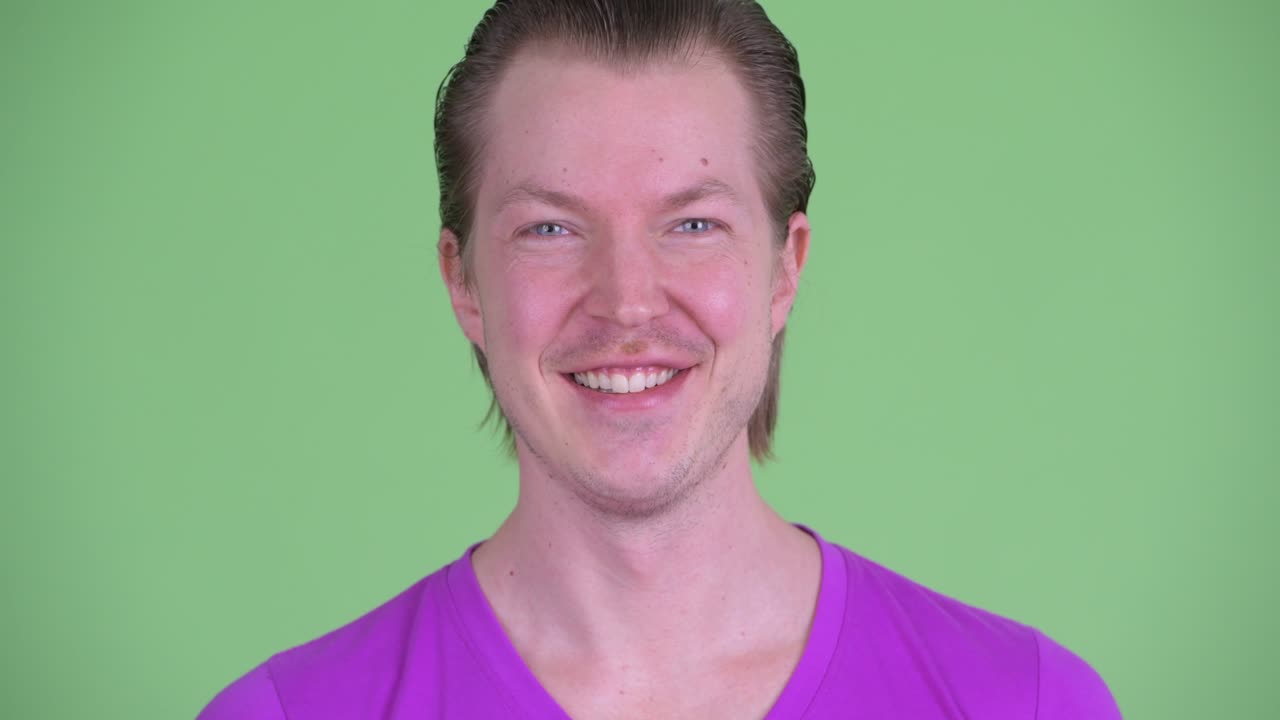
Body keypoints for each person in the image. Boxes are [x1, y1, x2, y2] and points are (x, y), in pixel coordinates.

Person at [199, 1, 1121, 717]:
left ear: (784, 269)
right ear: (464, 283)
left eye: (692, 224)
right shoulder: (283, 715)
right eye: (551, 227)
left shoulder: (1030, 705)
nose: (628, 300)